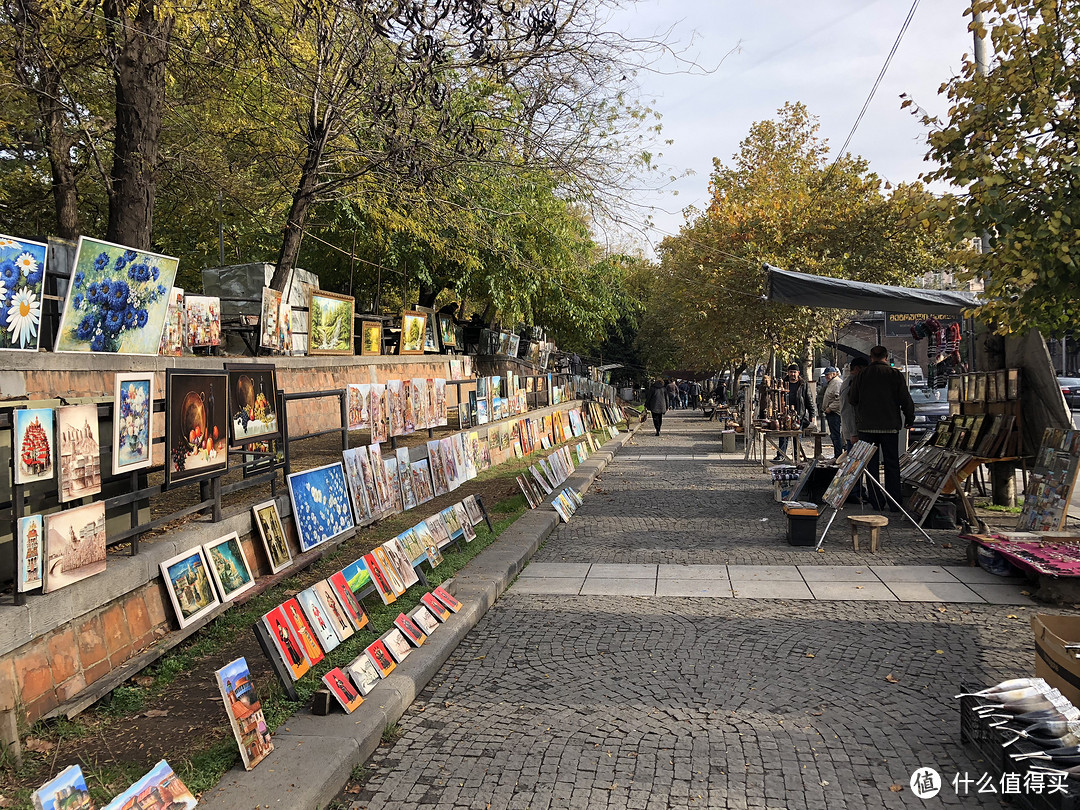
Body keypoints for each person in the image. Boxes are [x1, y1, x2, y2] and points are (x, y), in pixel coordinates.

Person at [849, 346, 915, 511]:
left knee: (871, 467)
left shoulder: (862, 375)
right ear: (886, 357)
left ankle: (876, 501)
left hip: (867, 428)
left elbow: (852, 398)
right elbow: (905, 398)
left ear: (871, 357)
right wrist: (909, 418)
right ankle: (894, 502)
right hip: (889, 427)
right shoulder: (895, 375)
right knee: (892, 465)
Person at [774, 364, 816, 461]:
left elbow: (809, 399)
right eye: (791, 372)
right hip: (784, 414)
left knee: (797, 437)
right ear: (788, 373)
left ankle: (797, 456)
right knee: (783, 436)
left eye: (794, 372)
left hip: (798, 415)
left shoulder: (803, 384)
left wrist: (812, 414)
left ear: (798, 373)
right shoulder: (783, 383)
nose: (792, 374)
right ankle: (781, 455)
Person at [840, 357, 869, 451]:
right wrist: (853, 433)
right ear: (857, 369)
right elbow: (847, 410)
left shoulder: (854, 382)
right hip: (854, 433)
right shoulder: (850, 384)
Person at [819, 366, 843, 457]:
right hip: (831, 413)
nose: (826, 377)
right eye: (825, 375)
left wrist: (830, 408)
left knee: (836, 435)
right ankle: (837, 454)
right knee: (834, 435)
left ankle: (838, 455)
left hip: (835, 413)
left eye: (828, 375)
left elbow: (839, 399)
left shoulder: (837, 383)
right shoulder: (831, 383)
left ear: (834, 374)